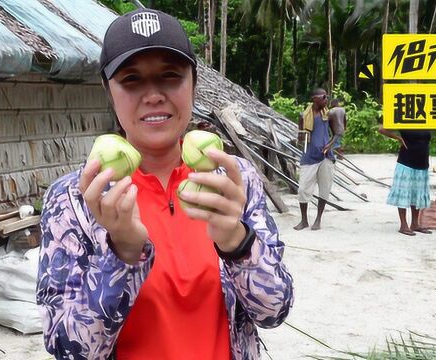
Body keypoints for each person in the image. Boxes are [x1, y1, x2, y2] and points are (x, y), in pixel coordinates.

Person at [36, 9, 293, 360]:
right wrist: (122, 254)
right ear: (108, 90)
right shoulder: (75, 199)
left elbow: (273, 312)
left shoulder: (233, 181)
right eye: (131, 79)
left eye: (170, 76)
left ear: (194, 83)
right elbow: (69, 347)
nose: (153, 94)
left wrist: (237, 242)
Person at [294, 88, 341, 231]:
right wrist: (302, 141)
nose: (327, 99)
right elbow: (301, 137)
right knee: (303, 189)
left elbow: (337, 133)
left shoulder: (329, 115)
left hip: (326, 157)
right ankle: (304, 220)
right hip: (309, 156)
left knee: (324, 188)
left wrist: (330, 145)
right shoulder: (304, 115)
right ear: (315, 99)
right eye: (324, 97)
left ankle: (318, 219)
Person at [378, 125, 432, 236]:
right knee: (404, 191)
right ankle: (403, 225)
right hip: (406, 162)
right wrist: (398, 138)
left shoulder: (425, 119)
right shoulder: (402, 116)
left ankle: (415, 223)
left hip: (422, 162)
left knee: (417, 193)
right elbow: (381, 129)